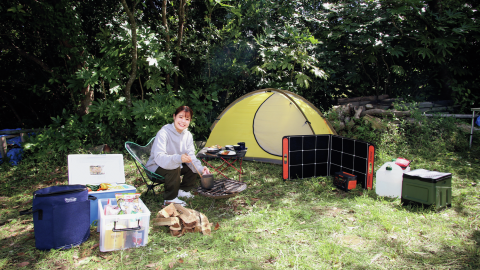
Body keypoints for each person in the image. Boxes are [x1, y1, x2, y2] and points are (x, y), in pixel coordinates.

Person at [146, 105, 210, 206]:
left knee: (191, 163)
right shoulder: (164, 133)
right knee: (174, 166)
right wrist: (178, 158)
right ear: (174, 117)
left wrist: (201, 169)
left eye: (187, 119)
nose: (183, 121)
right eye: (180, 117)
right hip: (156, 166)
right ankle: (170, 199)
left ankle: (183, 190)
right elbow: (159, 157)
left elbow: (191, 156)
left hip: (175, 164)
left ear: (190, 121)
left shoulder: (188, 135)